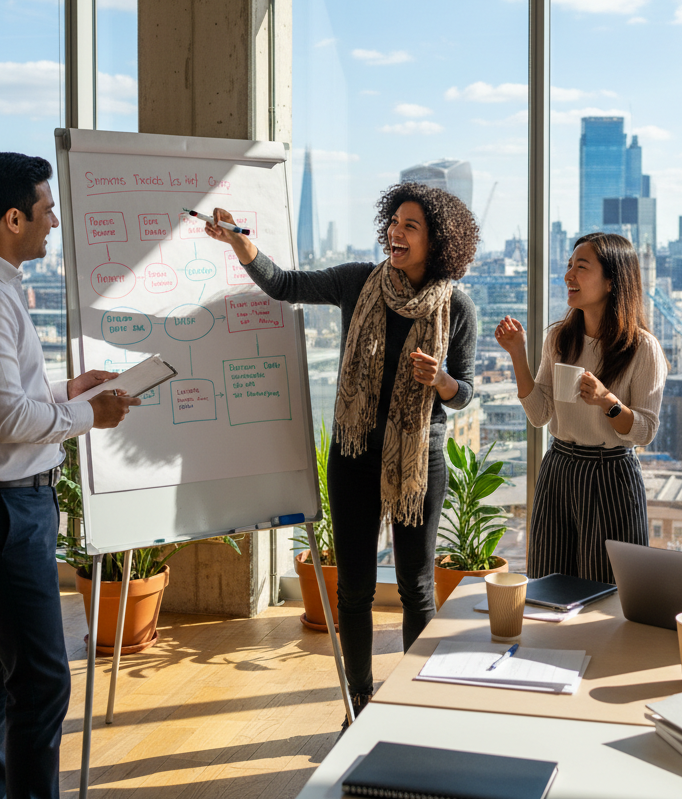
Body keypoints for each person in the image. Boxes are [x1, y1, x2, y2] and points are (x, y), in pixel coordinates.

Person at [204, 183, 478, 719]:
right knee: (353, 588)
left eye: (410, 226)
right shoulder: (359, 281)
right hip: (354, 455)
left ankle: (415, 704)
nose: (396, 233)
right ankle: (359, 701)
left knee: (416, 587)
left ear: (438, 241)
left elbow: (465, 392)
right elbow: (285, 285)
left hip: (419, 460)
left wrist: (441, 381)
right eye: (394, 222)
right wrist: (243, 248)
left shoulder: (458, 307)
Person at [0, 152, 138, 799]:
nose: (54, 221)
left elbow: (7, 396)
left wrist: (66, 389)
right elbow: (7, 421)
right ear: (13, 218)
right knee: (43, 681)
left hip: (3, 507)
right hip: (1, 512)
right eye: (47, 210)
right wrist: (89, 413)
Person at [494, 233, 666, 583]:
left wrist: (608, 401)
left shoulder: (642, 348)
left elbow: (645, 431)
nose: (568, 276)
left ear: (611, 282)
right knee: (548, 581)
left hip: (610, 476)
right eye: (568, 266)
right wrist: (516, 354)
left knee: (607, 590)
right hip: (558, 468)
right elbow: (540, 414)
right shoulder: (559, 338)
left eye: (581, 267)